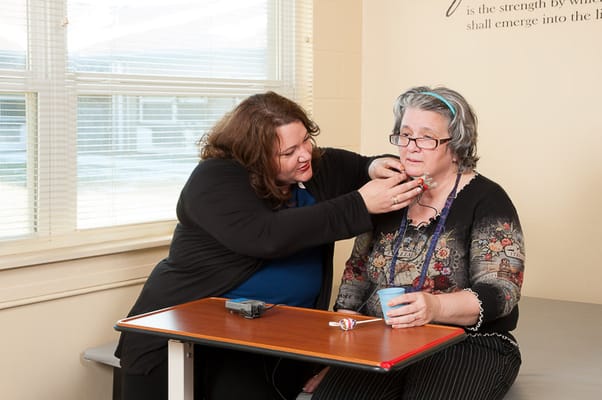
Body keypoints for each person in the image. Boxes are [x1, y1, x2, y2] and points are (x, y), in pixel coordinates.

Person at [115, 91, 424, 400]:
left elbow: (357, 167)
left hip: (269, 342)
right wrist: (360, 203)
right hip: (182, 334)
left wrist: (374, 167)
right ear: (255, 156)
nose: (304, 154)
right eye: (288, 152)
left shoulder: (310, 167)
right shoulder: (214, 180)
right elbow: (266, 236)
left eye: (305, 140)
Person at [307, 86, 525, 400]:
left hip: (467, 343)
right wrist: (341, 356)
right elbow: (356, 278)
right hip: (382, 339)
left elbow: (502, 291)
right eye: (405, 135)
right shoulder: (388, 194)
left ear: (457, 145)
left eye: (426, 138)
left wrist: (435, 306)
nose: (410, 147)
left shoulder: (488, 200)